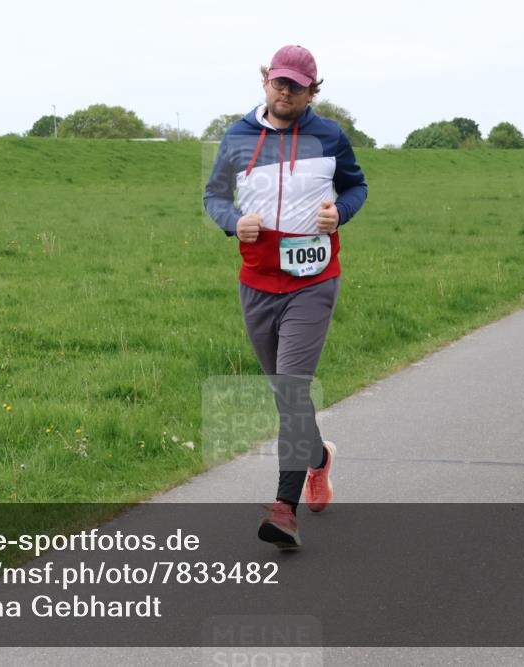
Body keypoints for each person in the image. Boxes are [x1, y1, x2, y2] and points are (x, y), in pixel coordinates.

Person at [203, 45, 367, 549]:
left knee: (293, 390)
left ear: (311, 91)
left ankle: (283, 510)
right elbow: (214, 196)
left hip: (313, 281)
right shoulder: (237, 136)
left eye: (297, 86)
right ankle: (318, 458)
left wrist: (339, 213)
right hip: (257, 282)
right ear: (266, 82)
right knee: (285, 394)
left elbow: (356, 188)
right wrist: (234, 223)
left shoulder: (329, 136)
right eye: (279, 82)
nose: (286, 91)